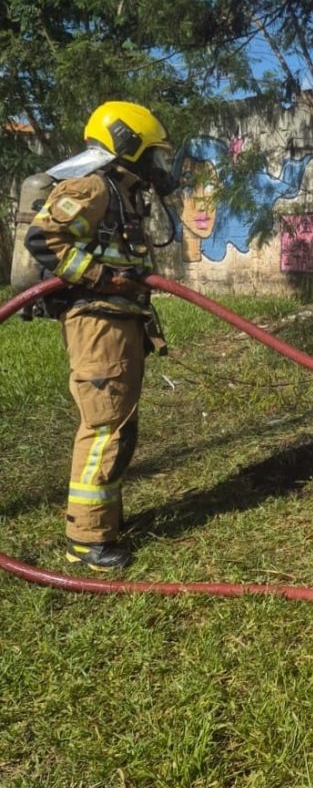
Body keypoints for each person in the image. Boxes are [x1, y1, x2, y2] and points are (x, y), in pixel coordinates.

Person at [24, 101, 177, 570]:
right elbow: (43, 239)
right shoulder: (91, 186)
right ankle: (87, 539)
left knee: (119, 424)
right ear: (126, 144)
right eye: (150, 154)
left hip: (119, 321)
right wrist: (103, 279)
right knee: (104, 425)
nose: (156, 165)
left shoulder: (121, 191)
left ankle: (103, 522)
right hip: (98, 322)